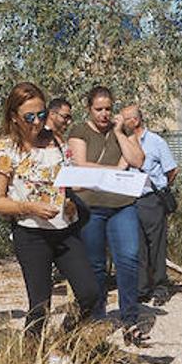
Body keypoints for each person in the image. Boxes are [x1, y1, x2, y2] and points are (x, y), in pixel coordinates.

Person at [0, 82, 101, 364]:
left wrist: (70, 203)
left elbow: (62, 184)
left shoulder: (56, 140)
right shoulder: (5, 149)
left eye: (41, 114)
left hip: (65, 230)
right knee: (40, 305)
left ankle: (58, 350)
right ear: (13, 117)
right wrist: (28, 207)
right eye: (29, 117)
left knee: (90, 293)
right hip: (31, 234)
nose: (38, 122)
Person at [67, 87, 149, 347]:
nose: (104, 114)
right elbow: (81, 165)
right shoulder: (79, 131)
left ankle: (130, 319)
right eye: (98, 109)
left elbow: (137, 160)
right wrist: (115, 171)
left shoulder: (122, 131)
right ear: (89, 109)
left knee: (128, 259)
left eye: (108, 109)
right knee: (96, 265)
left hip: (122, 204)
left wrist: (118, 132)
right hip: (91, 206)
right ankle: (97, 318)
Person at [120, 105, 178, 307]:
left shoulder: (155, 142)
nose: (121, 121)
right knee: (138, 246)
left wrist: (161, 187)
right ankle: (142, 288)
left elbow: (172, 169)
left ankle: (161, 287)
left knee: (156, 244)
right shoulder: (123, 143)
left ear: (135, 120)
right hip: (130, 200)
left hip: (151, 199)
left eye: (125, 118)